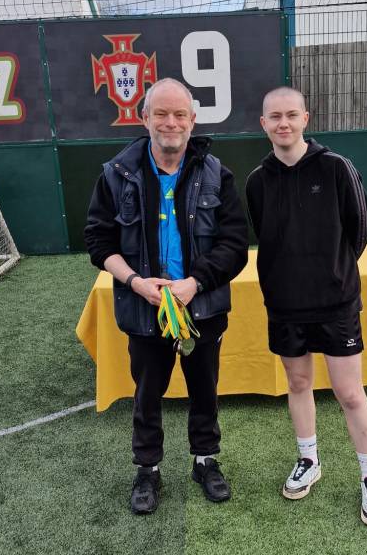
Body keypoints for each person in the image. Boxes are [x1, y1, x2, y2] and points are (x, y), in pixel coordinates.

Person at [85, 77, 249, 515]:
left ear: (193, 121)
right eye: (161, 113)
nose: (170, 122)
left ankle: (205, 460)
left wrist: (195, 282)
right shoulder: (116, 174)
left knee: (205, 389)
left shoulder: (217, 174)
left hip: (202, 307)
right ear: (145, 118)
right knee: (147, 392)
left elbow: (235, 245)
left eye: (179, 115)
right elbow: (98, 241)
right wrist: (136, 282)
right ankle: (147, 469)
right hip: (144, 309)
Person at [245, 86, 367, 526]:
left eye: (292, 114)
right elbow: (266, 235)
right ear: (264, 124)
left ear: (305, 118)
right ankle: (309, 459)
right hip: (285, 306)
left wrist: (332, 273)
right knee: (298, 382)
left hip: (335, 304)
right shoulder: (257, 181)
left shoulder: (336, 168)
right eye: (275, 116)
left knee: (349, 392)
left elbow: (359, 229)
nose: (283, 123)